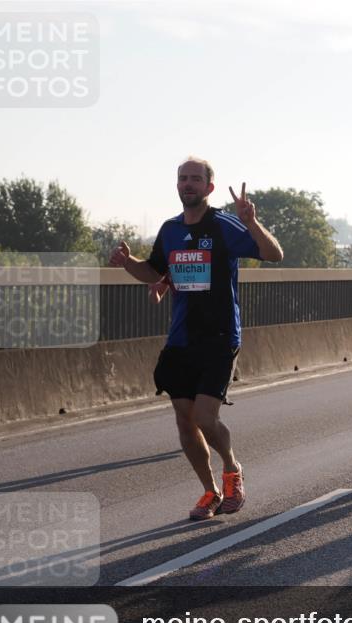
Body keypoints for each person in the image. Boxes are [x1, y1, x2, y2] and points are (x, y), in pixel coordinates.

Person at [109, 157, 283, 520]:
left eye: (195, 179)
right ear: (177, 186)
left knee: (205, 417)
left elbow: (273, 254)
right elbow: (153, 270)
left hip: (219, 336)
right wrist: (129, 263)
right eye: (183, 179)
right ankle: (210, 493)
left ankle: (232, 469)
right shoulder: (170, 230)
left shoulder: (224, 225)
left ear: (209, 187)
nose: (188, 184)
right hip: (181, 340)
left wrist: (251, 223)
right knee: (184, 422)